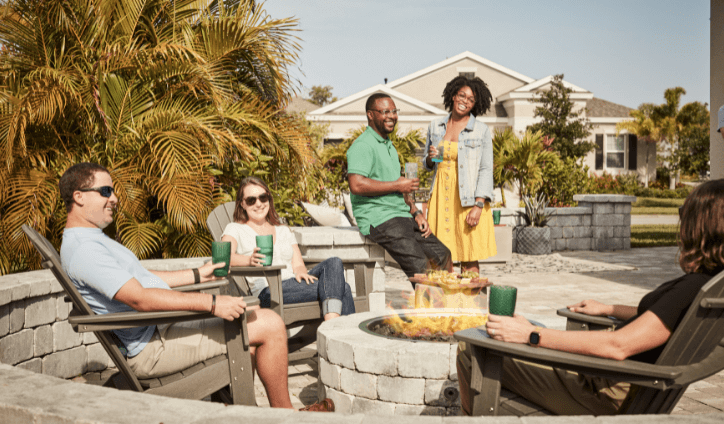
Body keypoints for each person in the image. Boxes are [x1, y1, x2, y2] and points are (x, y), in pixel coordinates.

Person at [59, 163, 332, 412]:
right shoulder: (86, 250)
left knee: (248, 332)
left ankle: (246, 413)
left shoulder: (92, 240)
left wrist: (198, 274)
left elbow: (142, 277)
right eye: (105, 191)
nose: (114, 198)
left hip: (160, 331)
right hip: (151, 348)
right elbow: (141, 299)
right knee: (268, 323)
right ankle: (285, 417)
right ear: (79, 196)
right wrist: (213, 304)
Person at [457, 179, 724, 415]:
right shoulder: (709, 286)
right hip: (616, 381)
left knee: (472, 352)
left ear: (699, 227)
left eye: (683, 214)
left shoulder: (691, 287)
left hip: (602, 389)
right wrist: (609, 308)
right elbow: (662, 320)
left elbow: (617, 346)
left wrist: (531, 335)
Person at [346, 92, 452, 279]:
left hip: (401, 216)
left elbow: (399, 189)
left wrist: (416, 212)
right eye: (385, 111)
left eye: (394, 111)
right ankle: (428, 307)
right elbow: (356, 184)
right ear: (370, 115)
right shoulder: (363, 145)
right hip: (379, 218)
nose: (392, 116)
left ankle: (445, 306)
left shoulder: (390, 147)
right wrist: (397, 185)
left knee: (443, 255)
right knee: (422, 265)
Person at [221, 176, 355, 319]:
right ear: (242, 204)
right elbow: (222, 257)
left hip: (295, 284)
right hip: (269, 291)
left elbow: (298, 265)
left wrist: (301, 271)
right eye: (251, 200)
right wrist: (249, 260)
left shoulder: (283, 230)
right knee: (342, 288)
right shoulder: (235, 228)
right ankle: (334, 330)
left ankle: (332, 329)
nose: (258, 204)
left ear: (269, 199)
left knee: (334, 262)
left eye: (263, 197)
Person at [424, 75, 497, 273]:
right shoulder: (435, 126)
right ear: (453, 95)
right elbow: (428, 164)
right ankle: (448, 302)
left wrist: (479, 205)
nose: (464, 101)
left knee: (469, 256)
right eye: (461, 95)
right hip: (441, 197)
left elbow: (486, 169)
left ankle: (470, 303)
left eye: (470, 99)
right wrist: (431, 158)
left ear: (475, 104)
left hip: (468, 200)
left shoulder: (480, 130)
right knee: (441, 257)